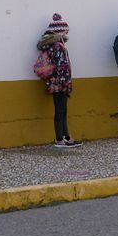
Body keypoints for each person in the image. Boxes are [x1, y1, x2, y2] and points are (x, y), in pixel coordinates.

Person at [36, 14, 80, 148]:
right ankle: (60, 139)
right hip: (60, 83)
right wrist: (66, 84)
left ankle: (66, 137)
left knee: (62, 110)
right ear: (60, 31)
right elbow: (62, 67)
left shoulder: (53, 45)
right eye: (66, 30)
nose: (67, 33)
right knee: (61, 110)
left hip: (55, 82)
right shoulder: (58, 46)